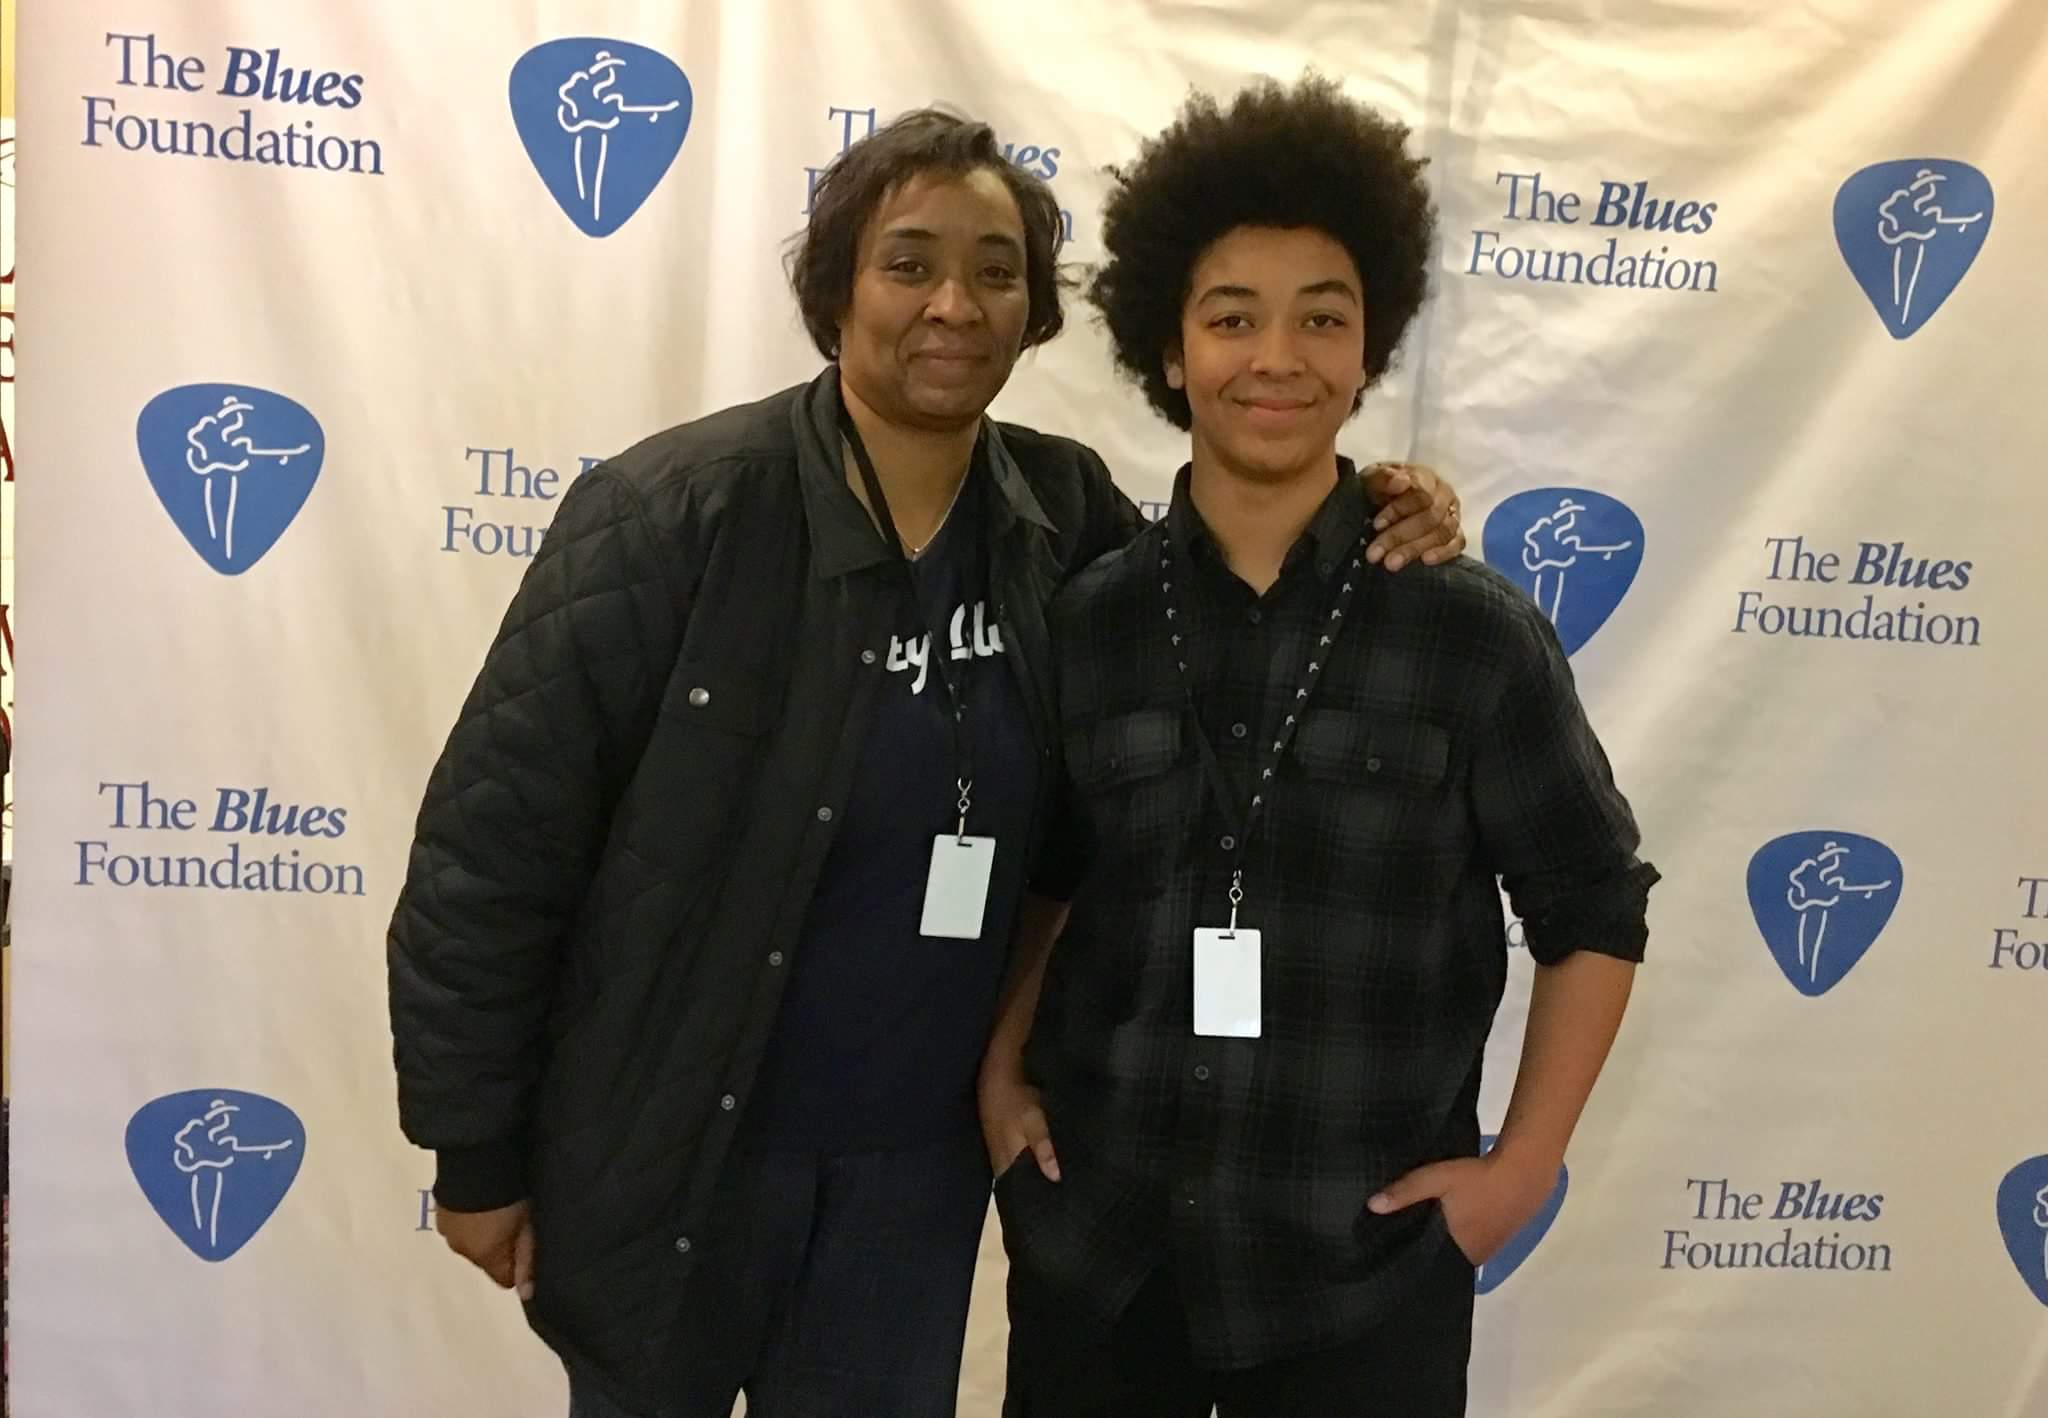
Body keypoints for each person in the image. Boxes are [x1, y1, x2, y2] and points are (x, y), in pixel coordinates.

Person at [385, 108, 1467, 1418]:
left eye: (996, 272)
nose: (954, 303)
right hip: (679, 1154)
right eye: (909, 264)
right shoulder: (669, 515)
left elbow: (1227, 595)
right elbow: (493, 851)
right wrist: (476, 1149)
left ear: (1034, 311)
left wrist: (1381, 505)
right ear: (835, 289)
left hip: (911, 1179)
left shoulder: (1063, 518)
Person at [981, 75, 1659, 1418]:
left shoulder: (1469, 633)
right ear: (1171, 348)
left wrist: (1519, 1173)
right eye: (1233, 317)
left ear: (1369, 349)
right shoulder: (1093, 617)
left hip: (1366, 1277)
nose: (1276, 357)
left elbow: (1594, 907)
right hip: (1102, 1253)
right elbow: (1047, 877)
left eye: (1323, 318)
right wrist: (1002, 1078)